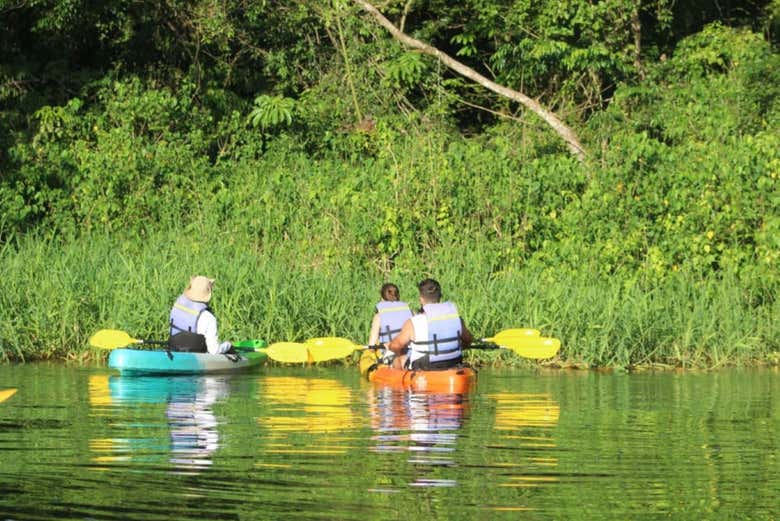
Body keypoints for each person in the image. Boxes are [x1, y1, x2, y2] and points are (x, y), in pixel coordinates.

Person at [383, 278, 474, 370]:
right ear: (440, 296)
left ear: (421, 299)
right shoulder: (456, 318)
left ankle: (399, 382)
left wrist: (390, 346)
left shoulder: (413, 322)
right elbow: (469, 340)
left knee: (397, 356)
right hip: (454, 361)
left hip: (426, 365)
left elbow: (395, 346)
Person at [168, 275, 232, 354]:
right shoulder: (208, 317)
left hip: (173, 349)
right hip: (194, 356)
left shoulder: (178, 306)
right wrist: (228, 345)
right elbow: (214, 351)